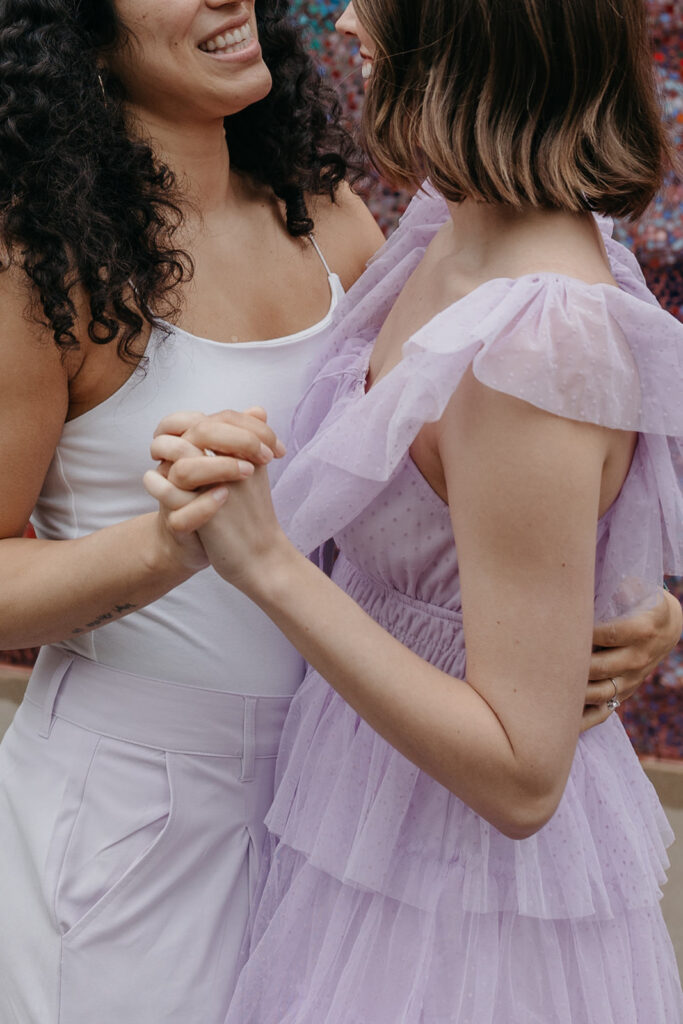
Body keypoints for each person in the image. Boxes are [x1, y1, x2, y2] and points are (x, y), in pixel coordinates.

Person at [147, 0, 683, 1020]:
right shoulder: (451, 221)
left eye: (375, 3)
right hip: (367, 824)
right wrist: (634, 605)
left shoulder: (536, 339)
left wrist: (266, 562)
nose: (345, 23)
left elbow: (523, 775)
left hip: (463, 912)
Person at [0, 0, 385, 1020]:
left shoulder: (332, 218)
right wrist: (167, 544)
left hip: (341, 804)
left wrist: (608, 608)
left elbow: (443, 490)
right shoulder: (44, 265)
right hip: (130, 825)